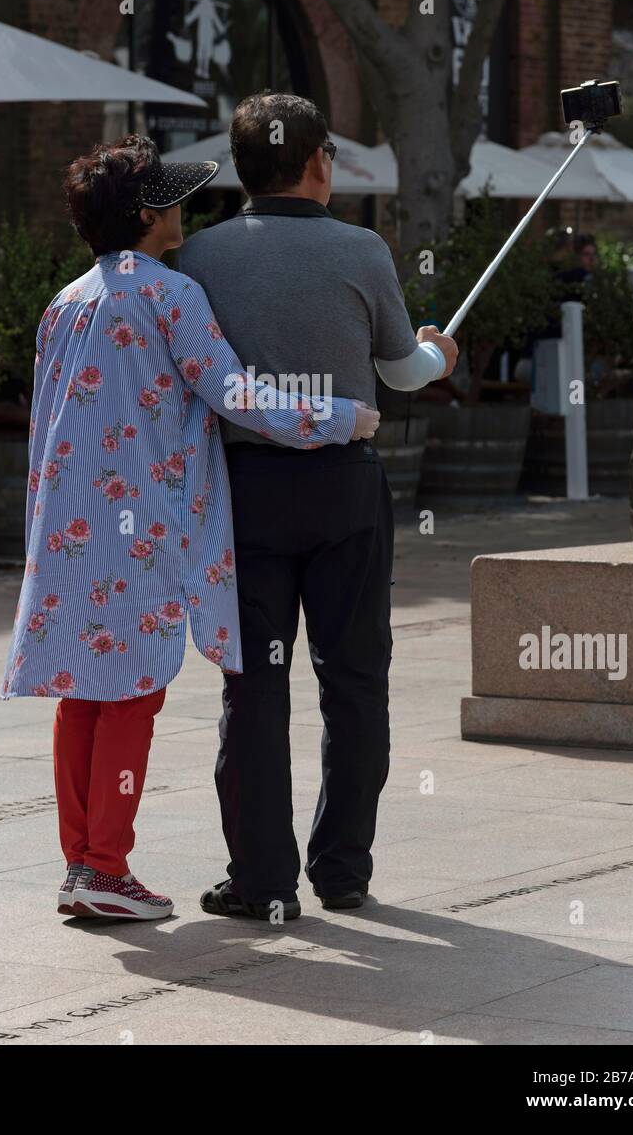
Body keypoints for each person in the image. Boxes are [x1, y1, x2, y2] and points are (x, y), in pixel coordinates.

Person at [0, 133, 379, 922]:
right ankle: (106, 869)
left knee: (83, 696)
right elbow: (235, 394)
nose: (184, 210)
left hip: (69, 529)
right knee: (134, 694)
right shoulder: (171, 296)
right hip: (139, 533)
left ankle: (81, 864)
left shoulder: (66, 301)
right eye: (170, 198)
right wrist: (342, 417)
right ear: (146, 214)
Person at [178, 91, 458, 919]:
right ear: (317, 162)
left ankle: (263, 881)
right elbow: (401, 374)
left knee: (253, 690)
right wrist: (438, 356)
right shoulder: (363, 250)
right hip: (344, 488)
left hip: (247, 492)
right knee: (355, 679)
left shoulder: (199, 259)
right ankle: (342, 870)